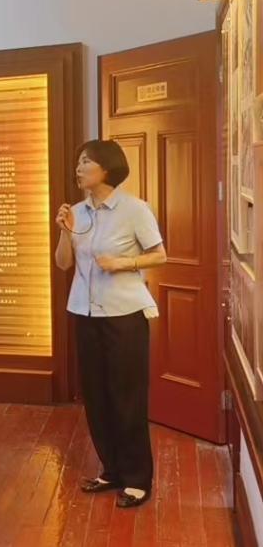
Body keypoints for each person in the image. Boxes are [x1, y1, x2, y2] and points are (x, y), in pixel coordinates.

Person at [55, 139, 167, 509]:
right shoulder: (77, 212)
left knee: (126, 396)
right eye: (78, 161)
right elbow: (63, 263)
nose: (78, 168)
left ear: (107, 168)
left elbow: (159, 255)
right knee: (97, 396)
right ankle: (112, 469)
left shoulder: (134, 209)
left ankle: (137, 479)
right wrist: (64, 230)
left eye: (86, 162)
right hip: (85, 313)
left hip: (124, 315)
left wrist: (122, 264)